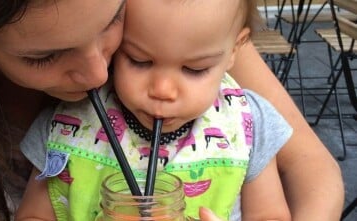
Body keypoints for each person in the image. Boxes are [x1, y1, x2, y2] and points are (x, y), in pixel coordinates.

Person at [0, 0, 343, 220]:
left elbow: (314, 171)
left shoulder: (190, 36)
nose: (99, 77)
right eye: (43, 56)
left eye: (113, 20)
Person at [16, 0, 291, 220]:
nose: (163, 89)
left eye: (194, 69)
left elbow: (271, 214)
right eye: (139, 60)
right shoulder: (68, 123)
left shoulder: (246, 125)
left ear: (234, 49)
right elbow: (32, 214)